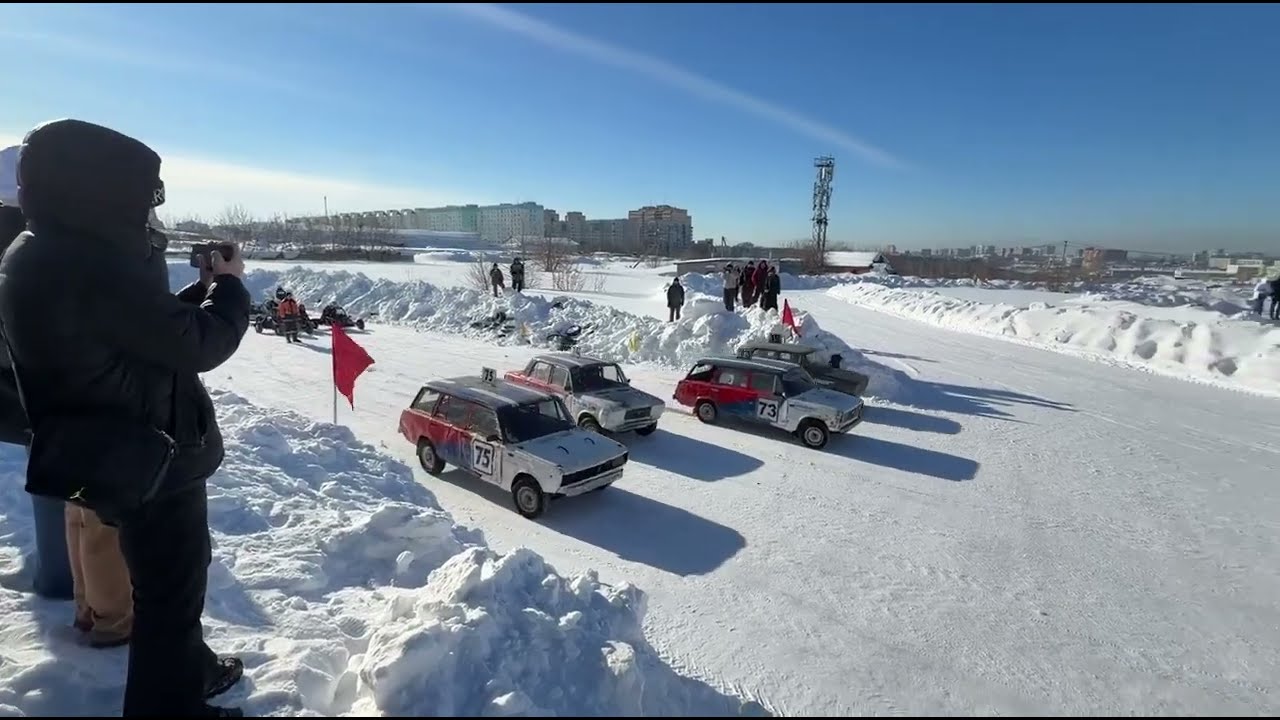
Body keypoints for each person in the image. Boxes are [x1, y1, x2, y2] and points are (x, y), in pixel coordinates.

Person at [0, 118, 249, 717]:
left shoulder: (41, 247)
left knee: (166, 590)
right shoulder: (91, 263)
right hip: (150, 454)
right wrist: (232, 289)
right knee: (169, 597)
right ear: (103, 189)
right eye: (141, 196)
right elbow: (198, 346)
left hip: (112, 445)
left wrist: (196, 293)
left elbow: (140, 331)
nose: (147, 212)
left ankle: (188, 672)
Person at [0, 201, 75, 602]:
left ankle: (60, 578)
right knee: (62, 494)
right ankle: (63, 582)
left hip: (32, 409)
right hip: (43, 407)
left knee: (54, 492)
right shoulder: (26, 268)